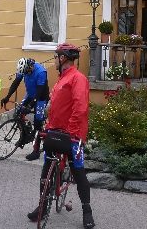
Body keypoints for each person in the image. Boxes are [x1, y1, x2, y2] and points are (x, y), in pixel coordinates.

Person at [27, 43, 95, 229]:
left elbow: (80, 108)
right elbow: (55, 107)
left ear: (63, 58)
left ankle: (87, 211)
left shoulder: (78, 78)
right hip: (54, 131)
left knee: (78, 171)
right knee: (46, 170)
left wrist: (71, 132)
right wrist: (47, 126)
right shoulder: (61, 79)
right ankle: (42, 206)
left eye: (56, 56)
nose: (55, 60)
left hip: (73, 135)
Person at [0, 57, 49, 160]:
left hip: (41, 97)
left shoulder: (41, 72)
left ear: (30, 67)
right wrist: (7, 97)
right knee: (18, 112)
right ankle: (25, 136)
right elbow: (16, 83)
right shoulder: (23, 69)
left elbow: (39, 92)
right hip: (30, 94)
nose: (25, 74)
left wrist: (29, 106)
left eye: (26, 72)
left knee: (37, 122)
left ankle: (36, 151)